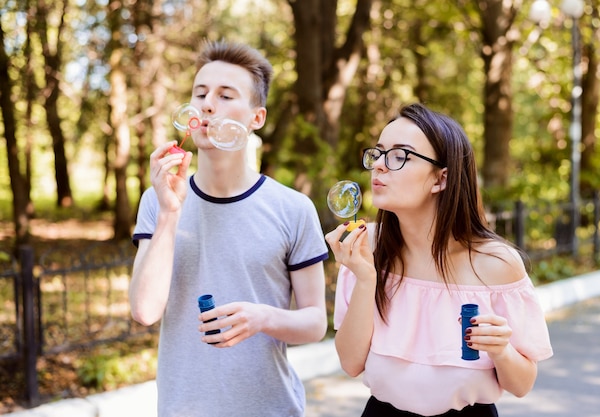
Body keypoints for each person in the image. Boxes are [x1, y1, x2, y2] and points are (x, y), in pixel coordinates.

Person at [129, 40, 329, 417]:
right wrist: (171, 215)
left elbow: (315, 322)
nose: (207, 104)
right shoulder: (157, 201)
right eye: (200, 93)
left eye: (225, 95)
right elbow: (144, 310)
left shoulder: (293, 209)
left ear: (257, 118)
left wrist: (263, 317)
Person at [325, 103, 553, 417]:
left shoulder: (496, 264)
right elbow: (351, 363)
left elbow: (522, 384)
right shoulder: (367, 246)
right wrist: (365, 277)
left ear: (441, 179)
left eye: (399, 155)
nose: (378, 166)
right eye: (377, 154)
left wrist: (501, 350)